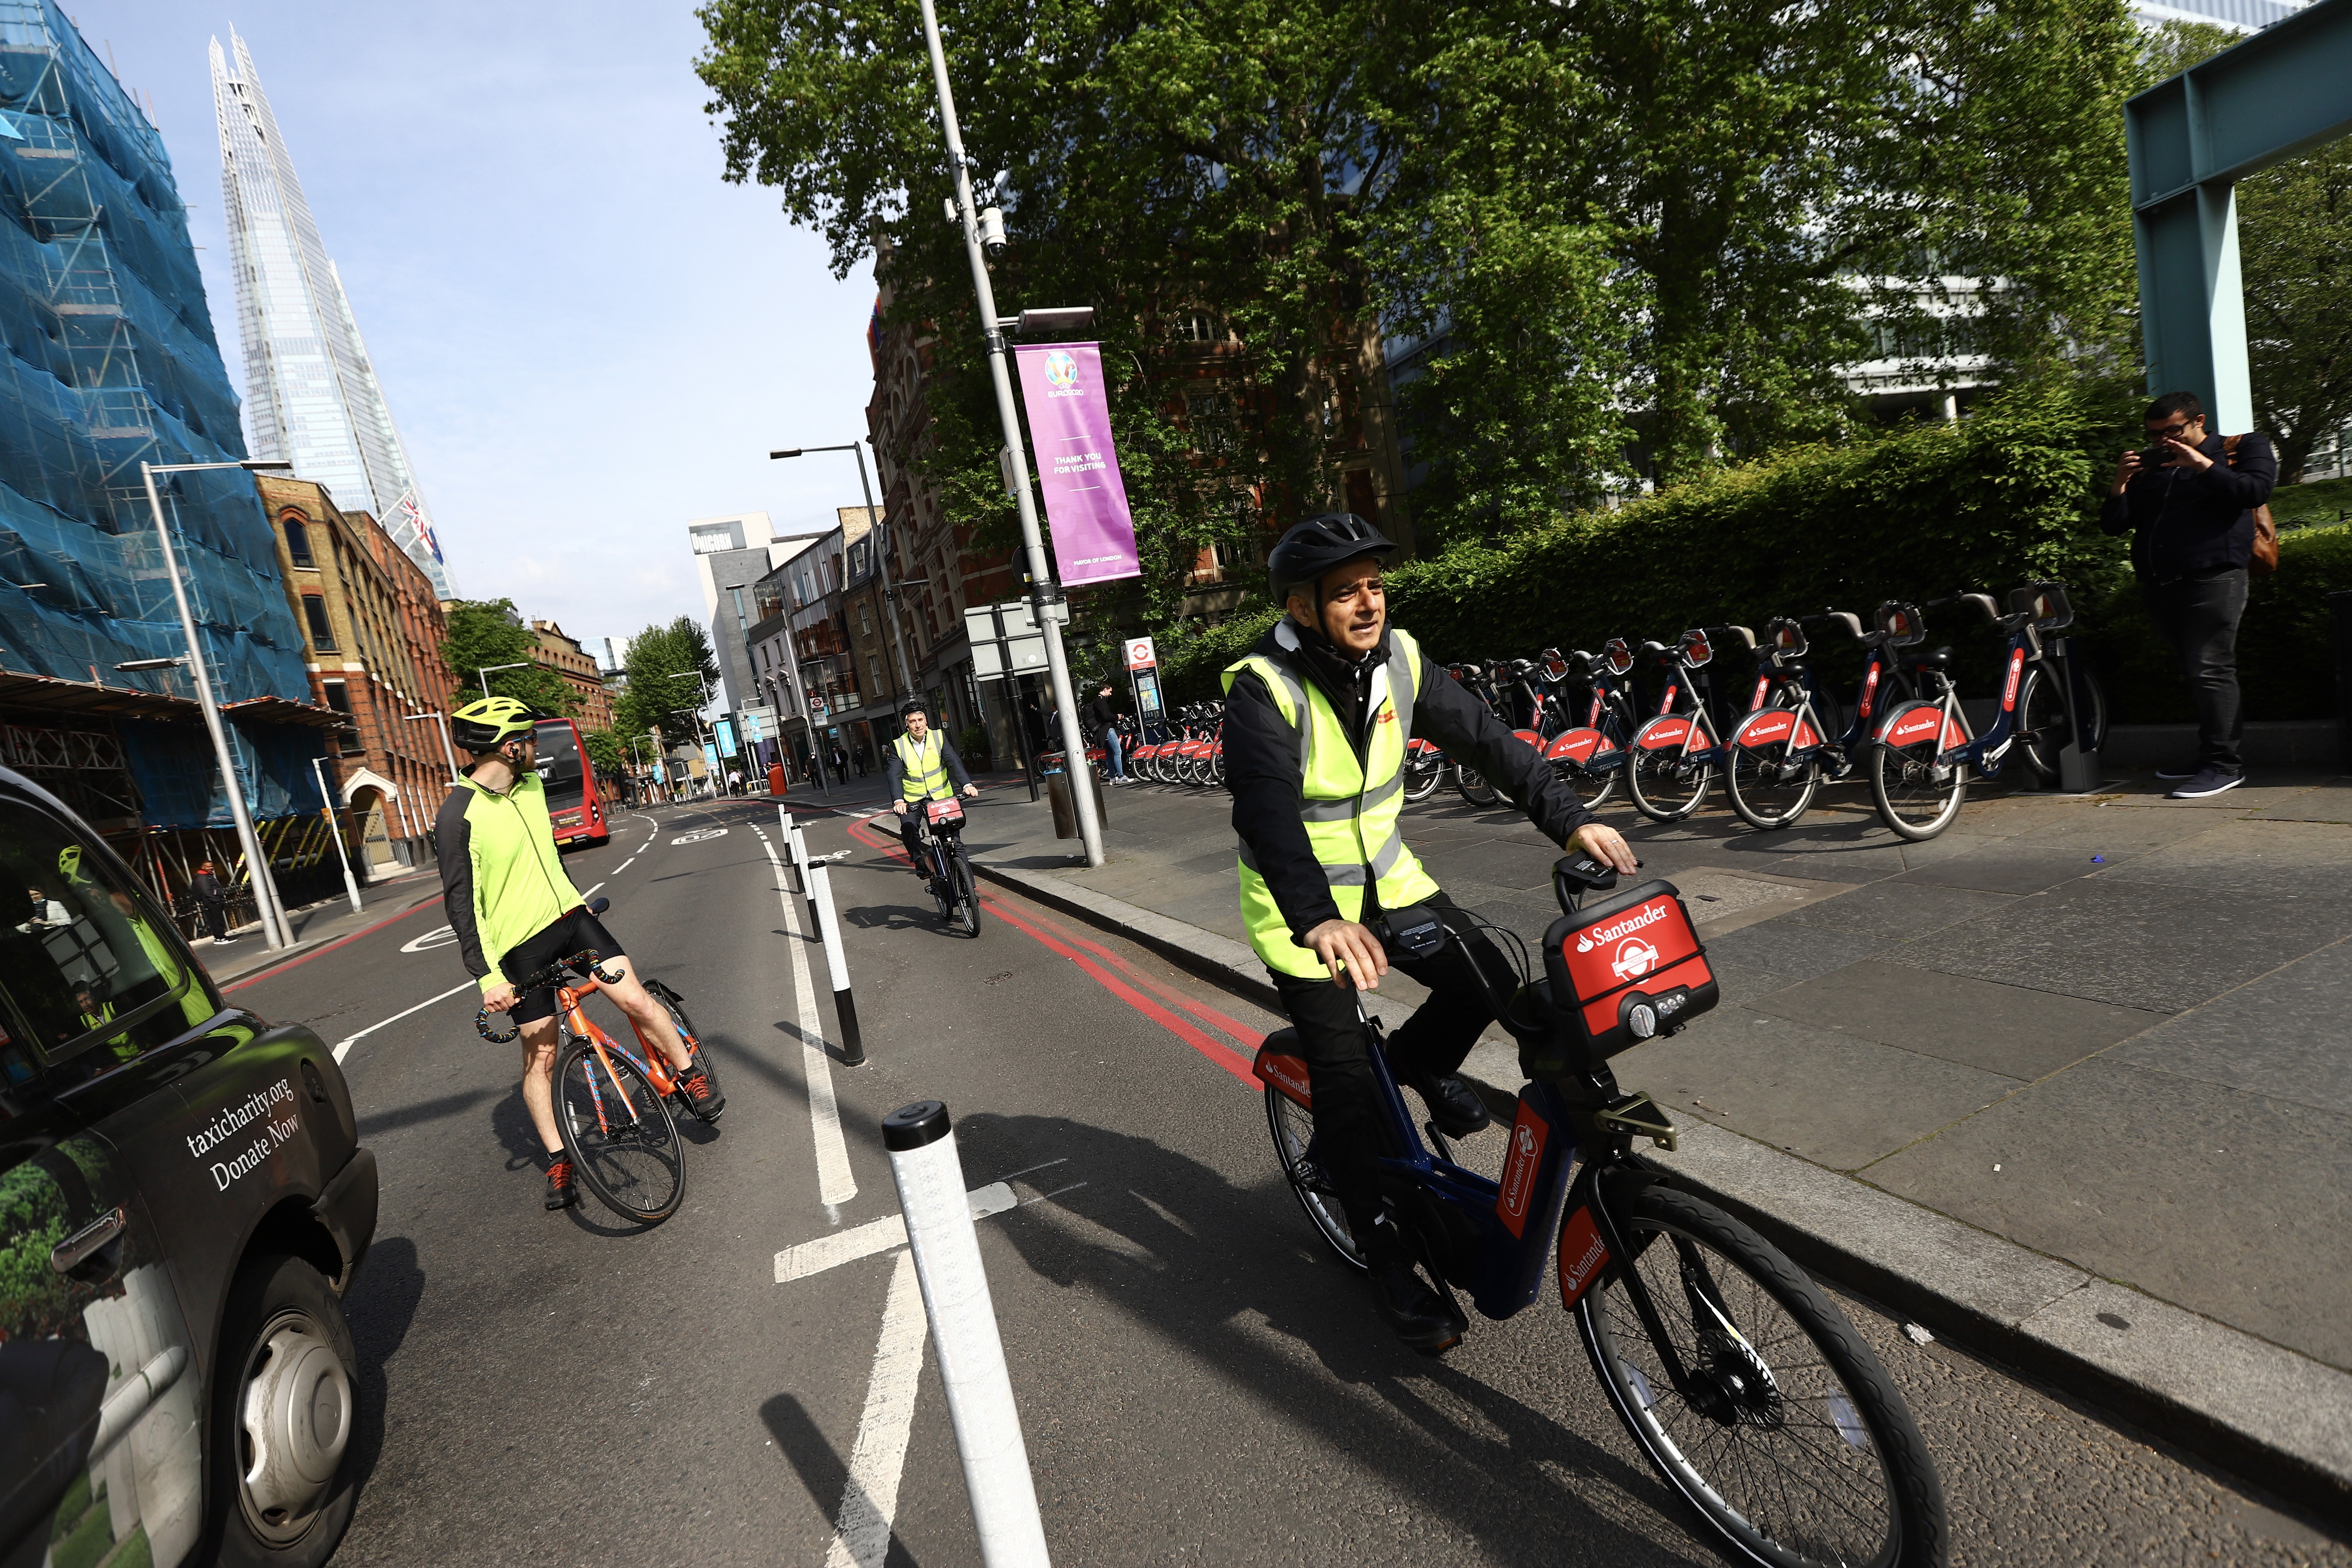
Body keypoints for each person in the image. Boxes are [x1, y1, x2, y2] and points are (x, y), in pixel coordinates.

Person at [1225, 512, 1638, 1353]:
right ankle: (1383, 1252)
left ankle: (1413, 1065)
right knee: (1343, 1089)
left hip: (1391, 883)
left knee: (1495, 983)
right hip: (1304, 912)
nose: (1368, 602)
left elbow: (1491, 743)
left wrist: (1569, 821)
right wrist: (1317, 919)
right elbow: (1267, 815)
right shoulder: (1261, 689)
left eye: (1374, 584)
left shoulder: (1402, 660)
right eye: (1346, 592)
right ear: (1302, 609)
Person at [436, 695, 723, 1212]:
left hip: (572, 921)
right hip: (519, 948)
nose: (534, 747)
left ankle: (688, 1072)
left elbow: (543, 856)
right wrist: (487, 979)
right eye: (526, 738)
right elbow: (462, 905)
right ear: (506, 746)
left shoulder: (530, 785)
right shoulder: (458, 814)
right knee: (541, 1057)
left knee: (633, 998)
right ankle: (558, 1157)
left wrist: (573, 902)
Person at [2102, 391, 2275, 799]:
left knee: (2211, 669)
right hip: (2161, 582)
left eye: (2173, 431)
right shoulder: (2156, 465)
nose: (2165, 441)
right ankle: (2208, 755)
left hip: (2214, 576)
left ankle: (2224, 765)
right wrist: (2120, 483)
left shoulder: (2245, 447)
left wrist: (2201, 464)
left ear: (2199, 421)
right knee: (2196, 673)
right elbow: (2115, 525)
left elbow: (2254, 491)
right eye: (2155, 434)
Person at [887, 697, 979, 887]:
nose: (918, 725)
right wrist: (898, 801)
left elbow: (953, 761)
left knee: (956, 843)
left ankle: (970, 889)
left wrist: (967, 785)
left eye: (920, 720)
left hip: (941, 798)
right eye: (912, 721)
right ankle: (919, 860)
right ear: (907, 725)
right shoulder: (898, 745)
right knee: (909, 827)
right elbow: (894, 775)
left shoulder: (938, 737)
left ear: (926, 721)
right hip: (913, 801)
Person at [1084, 684, 1129, 784]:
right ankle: (1121, 776)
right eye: (1110, 691)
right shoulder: (1101, 701)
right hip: (1108, 729)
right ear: (1105, 690)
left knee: (1109, 755)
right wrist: (1117, 717)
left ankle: (1112, 778)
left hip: (1103, 731)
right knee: (1118, 752)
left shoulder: (1096, 701)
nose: (1111, 694)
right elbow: (1106, 716)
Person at [189, 861, 231, 944]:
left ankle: (220, 936)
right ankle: (220, 937)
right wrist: (216, 900)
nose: (211, 868)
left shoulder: (207, 876)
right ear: (203, 867)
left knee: (216, 919)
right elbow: (207, 891)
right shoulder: (203, 877)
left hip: (211, 901)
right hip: (212, 902)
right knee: (216, 920)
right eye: (208, 867)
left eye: (211, 866)